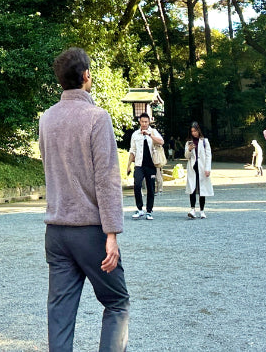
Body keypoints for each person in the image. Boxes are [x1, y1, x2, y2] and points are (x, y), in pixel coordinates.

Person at [38, 46, 129, 352]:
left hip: (56, 229)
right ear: (86, 75)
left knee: (60, 313)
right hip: (89, 229)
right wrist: (112, 233)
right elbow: (106, 178)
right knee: (117, 302)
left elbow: (49, 166)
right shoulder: (96, 117)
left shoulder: (46, 119)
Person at [125, 112, 164, 220]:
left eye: (146, 122)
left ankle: (149, 210)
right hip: (139, 164)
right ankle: (139, 209)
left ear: (149, 122)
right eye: (142, 121)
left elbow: (161, 142)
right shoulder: (135, 134)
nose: (144, 124)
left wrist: (149, 135)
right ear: (139, 122)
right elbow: (132, 151)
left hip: (151, 164)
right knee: (137, 185)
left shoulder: (153, 132)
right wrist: (128, 166)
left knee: (150, 188)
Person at [184, 122, 213, 219]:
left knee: (202, 189)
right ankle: (192, 209)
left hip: (202, 168)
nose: (194, 133)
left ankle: (202, 210)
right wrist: (189, 149)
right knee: (192, 188)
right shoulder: (189, 142)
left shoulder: (204, 141)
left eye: (195, 131)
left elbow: (208, 156)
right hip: (193, 168)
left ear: (198, 130)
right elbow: (186, 156)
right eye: (192, 131)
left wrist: (208, 168)